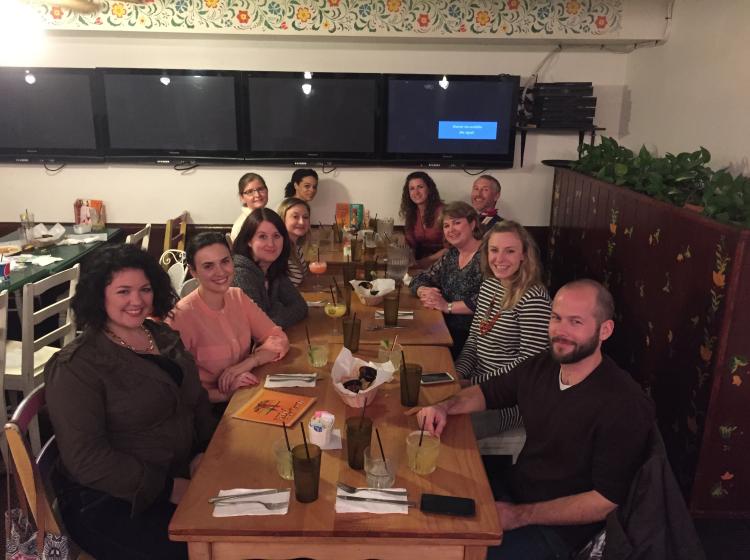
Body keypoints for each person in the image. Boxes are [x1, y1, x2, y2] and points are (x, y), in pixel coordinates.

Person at [417, 280, 655, 560]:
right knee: (425, 512)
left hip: (559, 530)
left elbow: (604, 501)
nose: (560, 330)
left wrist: (520, 515)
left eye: (575, 322)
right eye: (556, 318)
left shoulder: (623, 403)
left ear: (605, 330)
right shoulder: (545, 365)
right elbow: (489, 393)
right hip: (516, 490)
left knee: (446, 552)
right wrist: (445, 407)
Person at [45, 243, 217, 560]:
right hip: (112, 501)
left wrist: (203, 450)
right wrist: (169, 489)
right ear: (99, 296)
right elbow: (87, 460)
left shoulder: (161, 336)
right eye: (123, 291)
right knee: (214, 549)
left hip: (180, 473)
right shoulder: (77, 366)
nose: (137, 301)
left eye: (145, 289)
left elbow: (195, 401)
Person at [168, 232, 290, 405]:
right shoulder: (180, 316)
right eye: (208, 266)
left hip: (246, 393)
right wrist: (223, 394)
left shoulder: (238, 296)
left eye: (225, 261)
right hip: (211, 411)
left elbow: (278, 338)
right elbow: (174, 388)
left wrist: (249, 362)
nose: (220, 272)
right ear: (193, 271)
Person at [456, 220, 551, 433]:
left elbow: (528, 365)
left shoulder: (534, 297)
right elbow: (474, 339)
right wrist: (458, 374)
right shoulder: (490, 285)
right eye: (494, 250)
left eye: (509, 251)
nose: (499, 259)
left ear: (523, 255)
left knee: (452, 428)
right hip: (478, 386)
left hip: (513, 399)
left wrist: (473, 382)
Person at [410, 202, 484, 359]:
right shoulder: (451, 255)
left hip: (474, 340)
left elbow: (488, 300)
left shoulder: (488, 256)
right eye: (446, 225)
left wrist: (447, 306)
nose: (451, 230)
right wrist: (424, 290)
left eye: (457, 223)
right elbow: (420, 278)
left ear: (472, 224)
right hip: (444, 329)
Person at [231, 208, 308, 328]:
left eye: (276, 236)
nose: (271, 244)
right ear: (249, 241)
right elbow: (260, 326)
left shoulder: (272, 266)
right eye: (262, 237)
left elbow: (300, 306)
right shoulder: (240, 274)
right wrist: (278, 307)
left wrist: (273, 312)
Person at [400, 171, 445, 268]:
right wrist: (409, 257)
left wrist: (423, 263)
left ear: (429, 189)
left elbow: (451, 248)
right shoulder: (411, 213)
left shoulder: (444, 212)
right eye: (412, 189)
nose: (416, 192)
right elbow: (409, 243)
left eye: (420, 187)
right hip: (419, 262)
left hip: (443, 263)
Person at [277, 197, 311, 287]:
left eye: (305, 217)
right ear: (282, 219)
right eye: (295, 217)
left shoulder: (297, 247)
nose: (301, 222)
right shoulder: (278, 250)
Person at [230, 172, 269, 241]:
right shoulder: (241, 225)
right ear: (242, 197)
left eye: (260, 189)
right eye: (250, 192)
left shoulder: (269, 216)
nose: (257, 195)